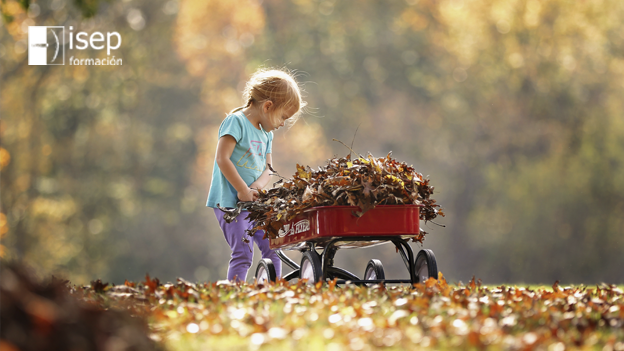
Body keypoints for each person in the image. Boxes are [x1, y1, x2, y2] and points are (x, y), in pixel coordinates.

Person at [206, 68, 306, 282]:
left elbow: (268, 168)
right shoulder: (236, 122)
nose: (282, 124)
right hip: (229, 203)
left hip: (253, 203)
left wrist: (255, 190)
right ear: (268, 106)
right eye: (283, 117)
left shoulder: (266, 134)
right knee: (243, 252)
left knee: (273, 245)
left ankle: (274, 289)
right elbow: (222, 158)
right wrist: (242, 190)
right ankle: (236, 292)